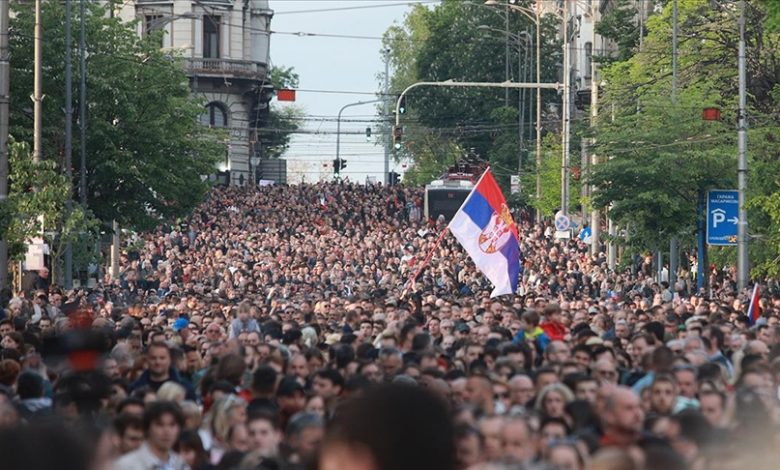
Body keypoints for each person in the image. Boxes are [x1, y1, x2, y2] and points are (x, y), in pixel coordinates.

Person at [114, 401, 188, 470]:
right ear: (148, 428)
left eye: (172, 425)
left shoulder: (181, 464)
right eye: (160, 425)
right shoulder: (126, 465)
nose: (167, 431)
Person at [129, 342, 196, 401]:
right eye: (153, 358)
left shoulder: (185, 388)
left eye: (162, 358)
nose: (158, 362)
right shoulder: (135, 388)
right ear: (147, 360)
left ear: (169, 359)